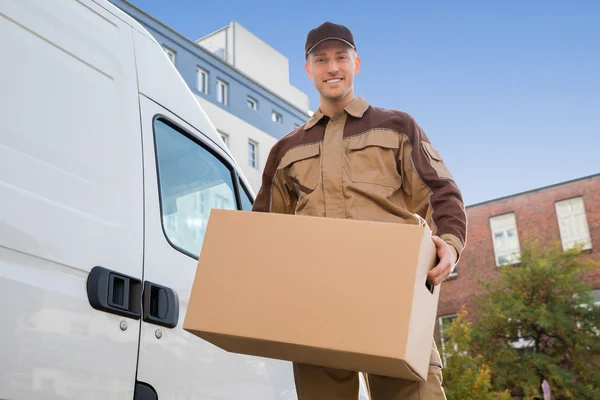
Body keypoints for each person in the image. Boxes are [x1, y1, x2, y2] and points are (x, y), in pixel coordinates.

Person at [252, 21, 467, 400]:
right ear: (308, 69)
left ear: (357, 63)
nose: (332, 67)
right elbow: (263, 232)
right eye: (322, 59)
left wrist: (450, 244)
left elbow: (441, 192)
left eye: (341, 57)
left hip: (394, 298)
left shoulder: (397, 127)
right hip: (315, 305)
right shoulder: (285, 150)